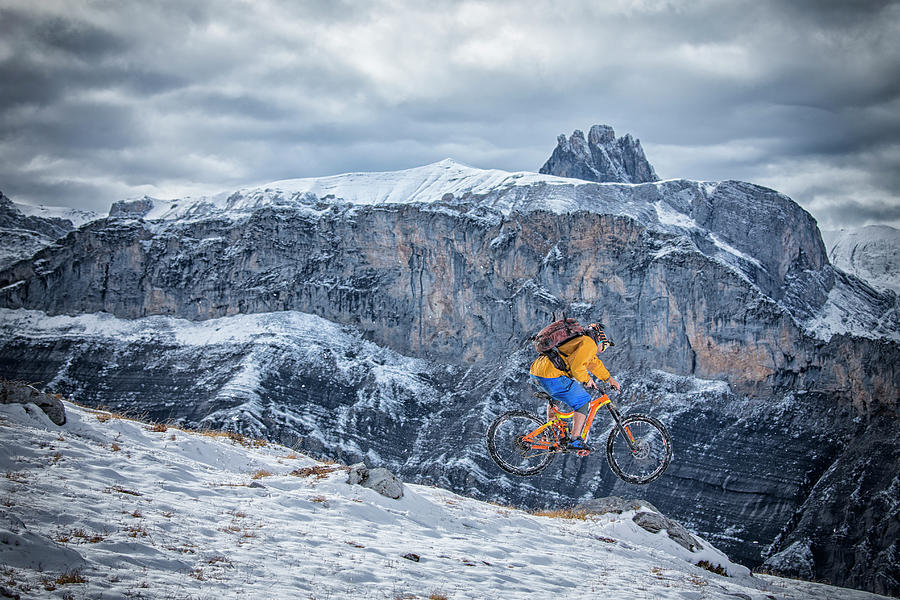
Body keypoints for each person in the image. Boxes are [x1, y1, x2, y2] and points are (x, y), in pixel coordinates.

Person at [529, 323, 620, 453]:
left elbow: (593, 363)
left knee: (555, 398)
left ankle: (551, 434)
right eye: (604, 347)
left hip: (537, 372)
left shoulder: (580, 340)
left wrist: (609, 379)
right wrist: (587, 380)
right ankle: (575, 439)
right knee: (583, 400)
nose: (602, 351)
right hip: (551, 376)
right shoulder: (589, 344)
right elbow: (577, 369)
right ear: (601, 339)